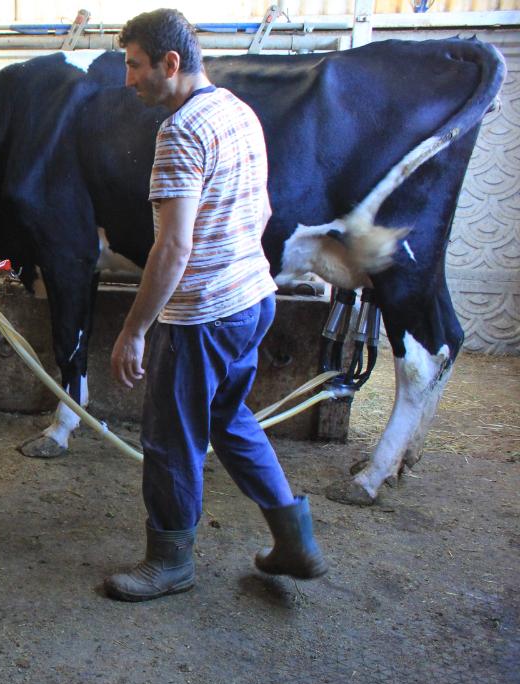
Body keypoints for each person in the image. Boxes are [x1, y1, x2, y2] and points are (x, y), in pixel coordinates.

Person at [104, 8, 328, 602]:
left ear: (170, 63)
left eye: (135, 66)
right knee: (228, 417)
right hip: (253, 298)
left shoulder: (179, 132)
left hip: (202, 315)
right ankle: (293, 539)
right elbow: (261, 211)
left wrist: (133, 330)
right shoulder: (236, 110)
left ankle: (170, 561)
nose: (129, 80)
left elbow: (173, 247)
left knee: (171, 438)